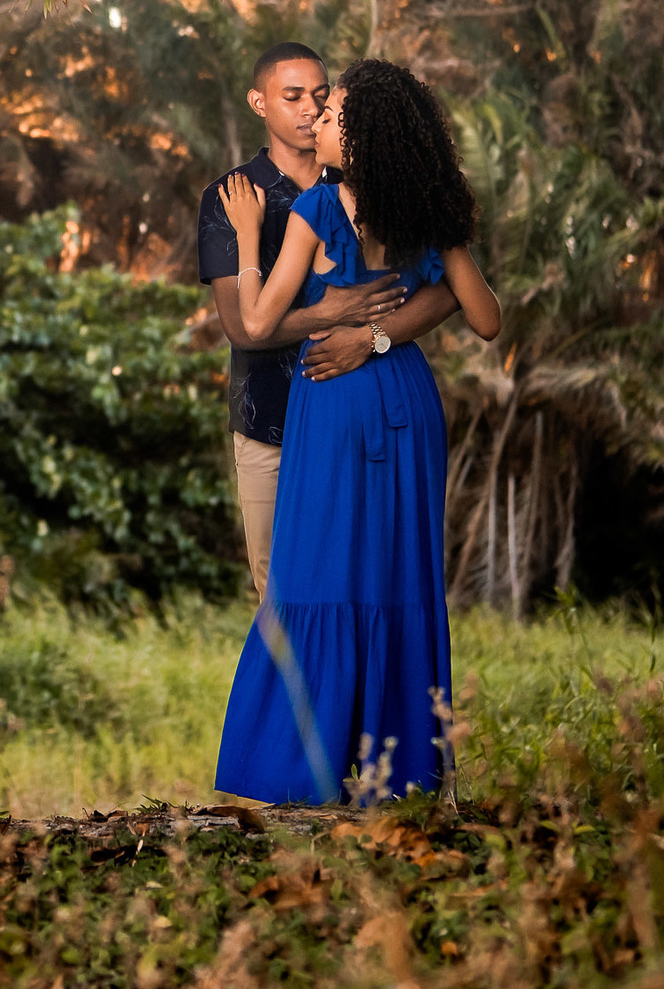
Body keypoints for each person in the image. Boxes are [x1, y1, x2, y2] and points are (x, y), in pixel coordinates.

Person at [213, 59, 501, 804]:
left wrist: (248, 238)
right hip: (405, 402)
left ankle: (302, 766)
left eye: (333, 114)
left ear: (363, 136)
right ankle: (400, 772)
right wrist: (394, 326)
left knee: (312, 575)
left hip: (334, 403)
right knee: (399, 578)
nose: (317, 121)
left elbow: (255, 322)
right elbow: (485, 317)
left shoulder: (314, 209)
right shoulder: (426, 216)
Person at [197, 42, 458, 602]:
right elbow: (245, 330)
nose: (310, 110)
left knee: (368, 582)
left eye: (321, 97)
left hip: (357, 413)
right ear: (259, 102)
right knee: (282, 598)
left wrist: (370, 337)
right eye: (292, 97)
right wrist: (329, 313)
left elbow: (448, 294)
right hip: (269, 418)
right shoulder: (231, 199)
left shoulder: (380, 180)